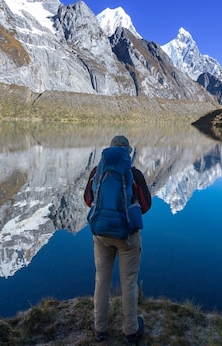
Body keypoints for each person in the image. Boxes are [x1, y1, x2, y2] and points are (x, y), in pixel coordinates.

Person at [84, 135, 152, 343]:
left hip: (101, 234)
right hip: (127, 237)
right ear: (127, 152)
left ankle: (100, 329)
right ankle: (130, 331)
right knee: (129, 283)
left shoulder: (97, 172)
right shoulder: (134, 174)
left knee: (101, 280)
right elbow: (146, 206)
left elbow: (88, 201)